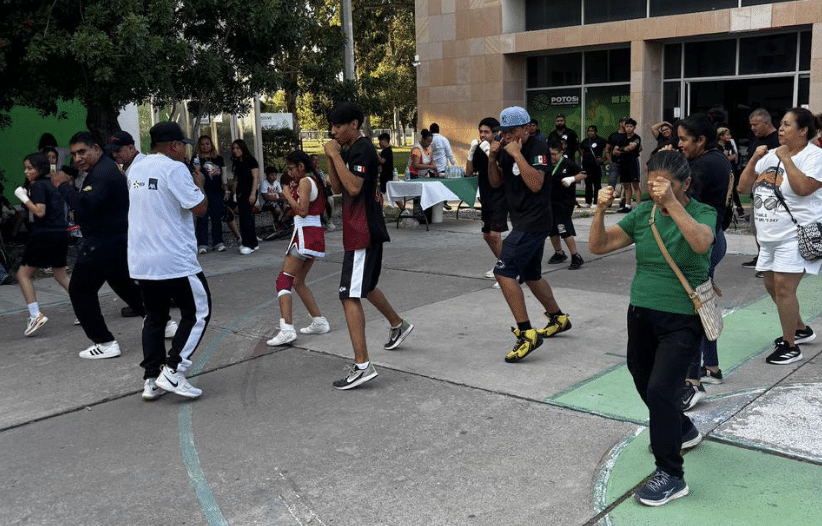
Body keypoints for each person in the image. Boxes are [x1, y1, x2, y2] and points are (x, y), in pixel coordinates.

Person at [589, 150, 715, 507]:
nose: (656, 191)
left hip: (683, 318)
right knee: (641, 377)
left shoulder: (702, 213)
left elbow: (701, 242)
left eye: (666, 185)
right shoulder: (643, 213)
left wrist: (673, 203)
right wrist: (599, 210)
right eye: (652, 183)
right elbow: (599, 246)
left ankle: (671, 475)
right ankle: (683, 428)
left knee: (661, 389)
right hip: (641, 312)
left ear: (685, 184)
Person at [323, 102, 413, 390]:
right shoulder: (348, 150)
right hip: (360, 230)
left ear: (353, 124)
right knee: (366, 286)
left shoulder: (362, 149)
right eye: (332, 126)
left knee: (348, 294)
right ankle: (398, 324)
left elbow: (353, 188)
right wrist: (332, 157)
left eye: (338, 126)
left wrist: (335, 156)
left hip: (363, 232)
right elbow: (337, 189)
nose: (334, 131)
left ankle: (362, 365)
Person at [127, 122, 211, 400]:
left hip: (142, 260)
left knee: (155, 318)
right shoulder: (175, 169)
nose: (186, 150)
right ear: (174, 145)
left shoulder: (135, 168)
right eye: (184, 145)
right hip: (174, 260)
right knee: (198, 312)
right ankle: (173, 370)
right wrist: (199, 184)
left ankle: (151, 379)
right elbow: (198, 208)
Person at [51, 132, 147, 359]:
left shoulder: (103, 173)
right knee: (123, 284)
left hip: (102, 242)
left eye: (82, 152)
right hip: (113, 240)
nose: (77, 158)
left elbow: (84, 207)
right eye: (73, 154)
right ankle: (160, 321)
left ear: (95, 149)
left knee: (80, 290)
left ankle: (105, 342)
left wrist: (63, 186)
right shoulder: (101, 169)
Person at [738, 107, 822, 366]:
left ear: (803, 130)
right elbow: (742, 188)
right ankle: (800, 329)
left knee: (785, 287)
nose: (781, 129)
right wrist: (754, 160)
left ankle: (790, 345)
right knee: (772, 285)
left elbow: (804, 188)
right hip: (769, 237)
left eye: (786, 125)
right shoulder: (770, 154)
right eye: (781, 124)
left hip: (795, 235)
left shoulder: (814, 156)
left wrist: (786, 159)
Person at [488, 106, 571, 363]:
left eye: (513, 131)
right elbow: (495, 183)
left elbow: (536, 185)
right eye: (504, 132)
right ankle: (558, 317)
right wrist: (492, 159)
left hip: (534, 221)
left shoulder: (538, 148)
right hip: (521, 219)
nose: (508, 137)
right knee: (532, 275)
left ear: (526, 128)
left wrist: (516, 155)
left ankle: (527, 333)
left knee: (503, 273)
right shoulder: (504, 148)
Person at [676, 114, 733, 410]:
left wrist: (666, 167)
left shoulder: (702, 165)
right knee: (703, 302)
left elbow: (680, 202)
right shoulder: (719, 159)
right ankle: (711, 367)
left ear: (701, 140)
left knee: (692, 308)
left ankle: (692, 381)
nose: (678, 143)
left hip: (704, 241)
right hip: (715, 237)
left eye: (684, 139)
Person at [266, 150, 331, 346]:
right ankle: (318, 321)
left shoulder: (305, 182)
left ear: (301, 167)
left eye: (292, 168)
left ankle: (287, 328)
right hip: (313, 234)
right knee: (298, 281)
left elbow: (301, 211)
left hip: (305, 234)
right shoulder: (312, 180)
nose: (290, 173)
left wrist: (287, 195)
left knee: (283, 280)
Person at [14, 153, 71, 336]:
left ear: (39, 169)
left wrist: (24, 198)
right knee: (61, 275)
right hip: (60, 233)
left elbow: (39, 211)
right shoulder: (53, 183)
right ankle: (85, 307)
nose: (26, 171)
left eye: (30, 168)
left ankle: (34, 315)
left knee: (23, 274)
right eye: (26, 168)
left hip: (43, 234)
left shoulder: (38, 185)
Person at [465, 117, 506, 283]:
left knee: (495, 235)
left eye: (486, 132)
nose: (482, 135)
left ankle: (508, 270)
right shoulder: (479, 148)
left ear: (495, 133)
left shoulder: (501, 149)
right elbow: (468, 172)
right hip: (486, 197)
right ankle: (501, 264)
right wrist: (471, 152)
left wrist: (492, 154)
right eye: (480, 131)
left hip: (500, 196)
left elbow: (502, 174)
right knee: (487, 236)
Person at [741, 108, 780, 272]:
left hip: (773, 192)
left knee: (772, 228)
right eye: (751, 125)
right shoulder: (756, 141)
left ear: (766, 122)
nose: (753, 128)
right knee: (756, 227)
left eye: (755, 124)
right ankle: (762, 257)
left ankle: (772, 264)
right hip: (756, 191)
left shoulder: (778, 140)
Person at [547, 140, 587, 270]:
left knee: (563, 227)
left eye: (554, 154)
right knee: (552, 228)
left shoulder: (568, 163)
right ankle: (559, 253)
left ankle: (575, 255)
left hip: (565, 202)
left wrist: (572, 179)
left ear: (561, 153)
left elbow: (583, 174)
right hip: (550, 201)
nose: (552, 157)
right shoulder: (547, 164)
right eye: (550, 154)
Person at [191, 135, 227, 253]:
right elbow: (195, 173)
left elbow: (224, 174)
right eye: (202, 144)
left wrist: (226, 188)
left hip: (217, 191)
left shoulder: (218, 159)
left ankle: (218, 242)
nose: (205, 146)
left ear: (211, 145)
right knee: (203, 217)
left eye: (207, 144)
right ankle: (202, 243)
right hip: (203, 191)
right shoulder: (196, 158)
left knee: (217, 216)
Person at [230, 139, 260, 255]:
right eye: (233, 148)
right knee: (245, 216)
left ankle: (249, 244)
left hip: (249, 191)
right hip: (240, 192)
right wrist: (233, 190)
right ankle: (253, 241)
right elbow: (236, 178)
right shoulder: (237, 162)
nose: (235, 151)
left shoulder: (251, 161)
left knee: (246, 217)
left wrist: (253, 194)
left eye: (237, 148)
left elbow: (255, 178)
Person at [614, 118, 642, 212]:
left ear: (634, 128)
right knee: (626, 185)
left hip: (633, 162)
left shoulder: (636, 138)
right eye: (627, 126)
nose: (629, 128)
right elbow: (615, 151)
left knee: (635, 185)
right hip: (623, 162)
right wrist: (622, 149)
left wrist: (622, 149)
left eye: (631, 126)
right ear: (624, 127)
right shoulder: (621, 138)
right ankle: (627, 205)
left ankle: (639, 206)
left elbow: (630, 148)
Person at [718, 127, 745, 219]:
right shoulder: (718, 145)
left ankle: (739, 208)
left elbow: (735, 155)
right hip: (722, 170)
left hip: (731, 169)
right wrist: (727, 156)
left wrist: (728, 157)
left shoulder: (730, 143)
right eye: (727, 135)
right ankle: (727, 208)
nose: (729, 136)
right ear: (721, 136)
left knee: (733, 188)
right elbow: (723, 157)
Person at [579, 125, 605, 207]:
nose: (590, 133)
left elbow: (608, 148)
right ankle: (588, 201)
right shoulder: (585, 141)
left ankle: (596, 201)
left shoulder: (600, 140)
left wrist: (604, 158)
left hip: (596, 166)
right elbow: (580, 150)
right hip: (587, 165)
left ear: (596, 132)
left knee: (597, 184)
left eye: (592, 131)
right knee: (588, 183)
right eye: (589, 131)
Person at [260, 167, 289, 239]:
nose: (274, 177)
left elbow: (281, 195)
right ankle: (276, 223)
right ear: (267, 175)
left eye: (275, 175)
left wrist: (281, 199)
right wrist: (277, 198)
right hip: (266, 204)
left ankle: (282, 223)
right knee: (277, 209)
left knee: (289, 207)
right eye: (272, 175)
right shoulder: (264, 184)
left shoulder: (277, 183)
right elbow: (266, 197)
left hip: (276, 202)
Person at [606, 117, 628, 195]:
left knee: (626, 183)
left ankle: (623, 200)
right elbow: (607, 149)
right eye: (625, 123)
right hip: (615, 162)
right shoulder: (613, 135)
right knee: (612, 182)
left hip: (626, 162)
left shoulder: (630, 136)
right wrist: (610, 160)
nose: (626, 125)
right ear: (621, 123)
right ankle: (608, 200)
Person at [378, 132, 394, 201]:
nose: (379, 143)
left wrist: (376, 154)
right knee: (382, 192)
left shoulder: (386, 151)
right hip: (384, 174)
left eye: (380, 141)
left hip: (386, 175)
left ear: (385, 141)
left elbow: (382, 160)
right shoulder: (385, 151)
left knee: (382, 192)